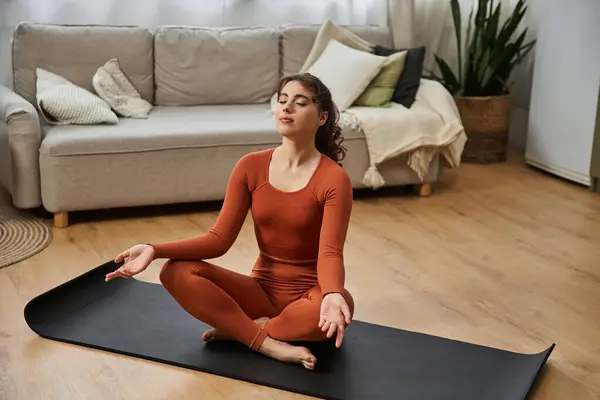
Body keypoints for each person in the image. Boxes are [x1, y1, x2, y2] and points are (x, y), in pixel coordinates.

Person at [104, 73, 355, 370]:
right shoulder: (250, 167)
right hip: (261, 292)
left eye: (300, 103)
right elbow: (218, 239)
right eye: (283, 101)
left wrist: (332, 293)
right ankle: (268, 343)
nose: (286, 108)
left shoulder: (334, 179)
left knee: (339, 307)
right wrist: (154, 249)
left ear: (321, 117)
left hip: (308, 296)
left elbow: (330, 252)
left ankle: (243, 331)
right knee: (176, 271)